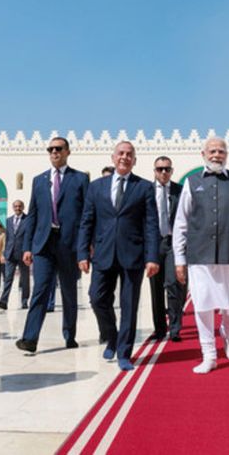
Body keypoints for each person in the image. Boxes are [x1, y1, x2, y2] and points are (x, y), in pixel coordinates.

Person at [173, 137, 229, 374]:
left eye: (221, 151)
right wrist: (179, 259)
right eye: (212, 151)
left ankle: (228, 332)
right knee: (202, 303)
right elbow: (181, 223)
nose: (216, 155)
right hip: (200, 255)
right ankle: (209, 354)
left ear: (227, 155)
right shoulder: (192, 182)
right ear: (203, 154)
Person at [79, 141, 160, 371]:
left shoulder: (143, 187)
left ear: (134, 160)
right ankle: (111, 336)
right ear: (113, 157)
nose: (124, 157)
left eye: (129, 154)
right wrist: (83, 252)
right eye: (121, 154)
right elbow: (87, 222)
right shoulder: (96, 187)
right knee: (96, 298)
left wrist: (152, 257)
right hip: (103, 254)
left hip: (132, 255)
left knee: (129, 305)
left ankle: (124, 352)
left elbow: (151, 225)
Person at [15, 137, 89, 353]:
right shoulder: (39, 180)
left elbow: (86, 215)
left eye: (58, 148)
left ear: (67, 151)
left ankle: (69, 334)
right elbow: (33, 215)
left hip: (69, 244)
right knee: (40, 290)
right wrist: (28, 246)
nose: (54, 152)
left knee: (68, 291)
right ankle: (30, 338)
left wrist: (85, 247)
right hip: (44, 245)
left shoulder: (79, 179)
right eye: (51, 149)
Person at [150, 156, 184, 342]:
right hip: (154, 244)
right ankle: (160, 329)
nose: (163, 172)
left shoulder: (180, 191)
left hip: (173, 243)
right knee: (155, 288)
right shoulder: (147, 191)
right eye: (160, 169)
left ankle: (175, 328)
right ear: (154, 171)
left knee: (173, 284)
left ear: (171, 171)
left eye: (167, 169)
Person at [0, 200, 31, 310]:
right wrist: (4, 253)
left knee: (25, 279)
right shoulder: (8, 220)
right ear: (12, 207)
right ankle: (3, 301)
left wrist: (29, 251)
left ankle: (24, 301)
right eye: (15, 206)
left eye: (19, 206)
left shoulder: (28, 220)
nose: (17, 208)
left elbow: (29, 237)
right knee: (8, 278)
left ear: (23, 207)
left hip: (23, 253)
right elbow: (8, 238)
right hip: (10, 254)